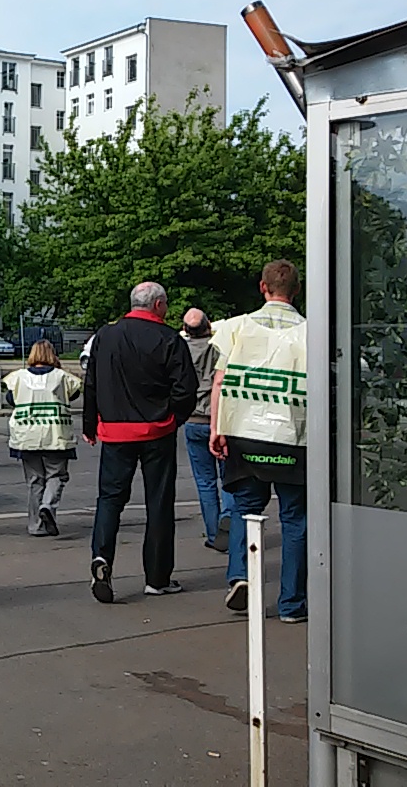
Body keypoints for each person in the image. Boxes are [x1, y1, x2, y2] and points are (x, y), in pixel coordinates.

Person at [83, 281, 198, 603]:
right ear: (158, 305)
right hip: (156, 430)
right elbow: (185, 388)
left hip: (115, 430)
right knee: (159, 504)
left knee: (110, 499)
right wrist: (175, 418)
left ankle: (102, 556)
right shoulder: (169, 339)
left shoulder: (106, 335)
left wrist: (90, 423)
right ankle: (157, 577)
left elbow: (91, 380)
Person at [210, 260, 308, 622]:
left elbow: (219, 380)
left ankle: (241, 575)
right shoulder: (311, 331)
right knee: (295, 518)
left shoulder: (237, 327)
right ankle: (291, 604)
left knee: (245, 508)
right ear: (296, 291)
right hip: (292, 437)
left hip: (244, 432)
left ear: (262, 288)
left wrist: (216, 428)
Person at [3, 340, 82, 537]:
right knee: (57, 476)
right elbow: (74, 394)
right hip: (56, 435)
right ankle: (47, 505)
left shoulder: (18, 377)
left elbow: (10, 399)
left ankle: (36, 526)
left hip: (26, 436)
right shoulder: (62, 377)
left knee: (34, 480)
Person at [182, 308, 231, 552]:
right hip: (220, 418)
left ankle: (213, 533)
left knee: (205, 482)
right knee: (229, 478)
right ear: (208, 325)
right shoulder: (219, 348)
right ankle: (230, 521)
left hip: (193, 419)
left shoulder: (181, 350)